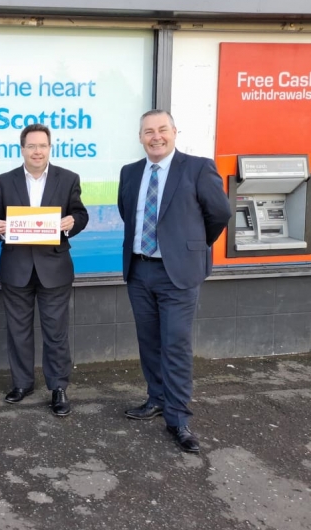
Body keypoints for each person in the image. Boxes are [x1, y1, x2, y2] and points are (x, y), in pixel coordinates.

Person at [118, 109, 231, 454]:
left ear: (174, 132)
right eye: (148, 131)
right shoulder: (130, 172)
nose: (156, 136)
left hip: (178, 273)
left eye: (162, 130)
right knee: (149, 341)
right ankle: (156, 397)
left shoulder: (197, 167)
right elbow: (127, 212)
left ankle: (178, 417)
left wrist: (191, 246)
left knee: (176, 345)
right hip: (140, 270)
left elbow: (219, 213)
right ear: (140, 137)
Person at [0, 123, 88, 417]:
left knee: (56, 332)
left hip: (54, 266)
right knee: (18, 331)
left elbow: (80, 213)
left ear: (49, 148)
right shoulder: (5, 181)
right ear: (22, 149)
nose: (37, 151)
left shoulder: (68, 179)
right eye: (31, 146)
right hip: (16, 266)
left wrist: (72, 223)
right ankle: (22, 383)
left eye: (42, 146)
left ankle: (58, 388)